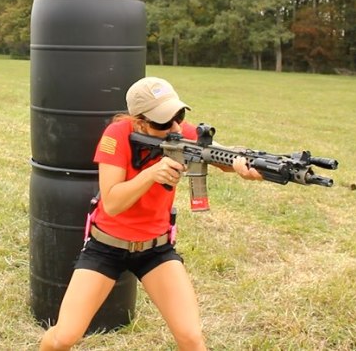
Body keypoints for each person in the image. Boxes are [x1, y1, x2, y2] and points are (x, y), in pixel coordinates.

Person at [39, 77, 262, 351]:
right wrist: (150, 174)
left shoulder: (179, 134)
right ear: (139, 121)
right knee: (65, 337)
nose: (175, 127)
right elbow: (112, 203)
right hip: (106, 247)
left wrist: (245, 163)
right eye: (163, 122)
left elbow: (219, 156)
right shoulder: (116, 136)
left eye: (178, 116)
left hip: (156, 250)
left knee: (191, 338)